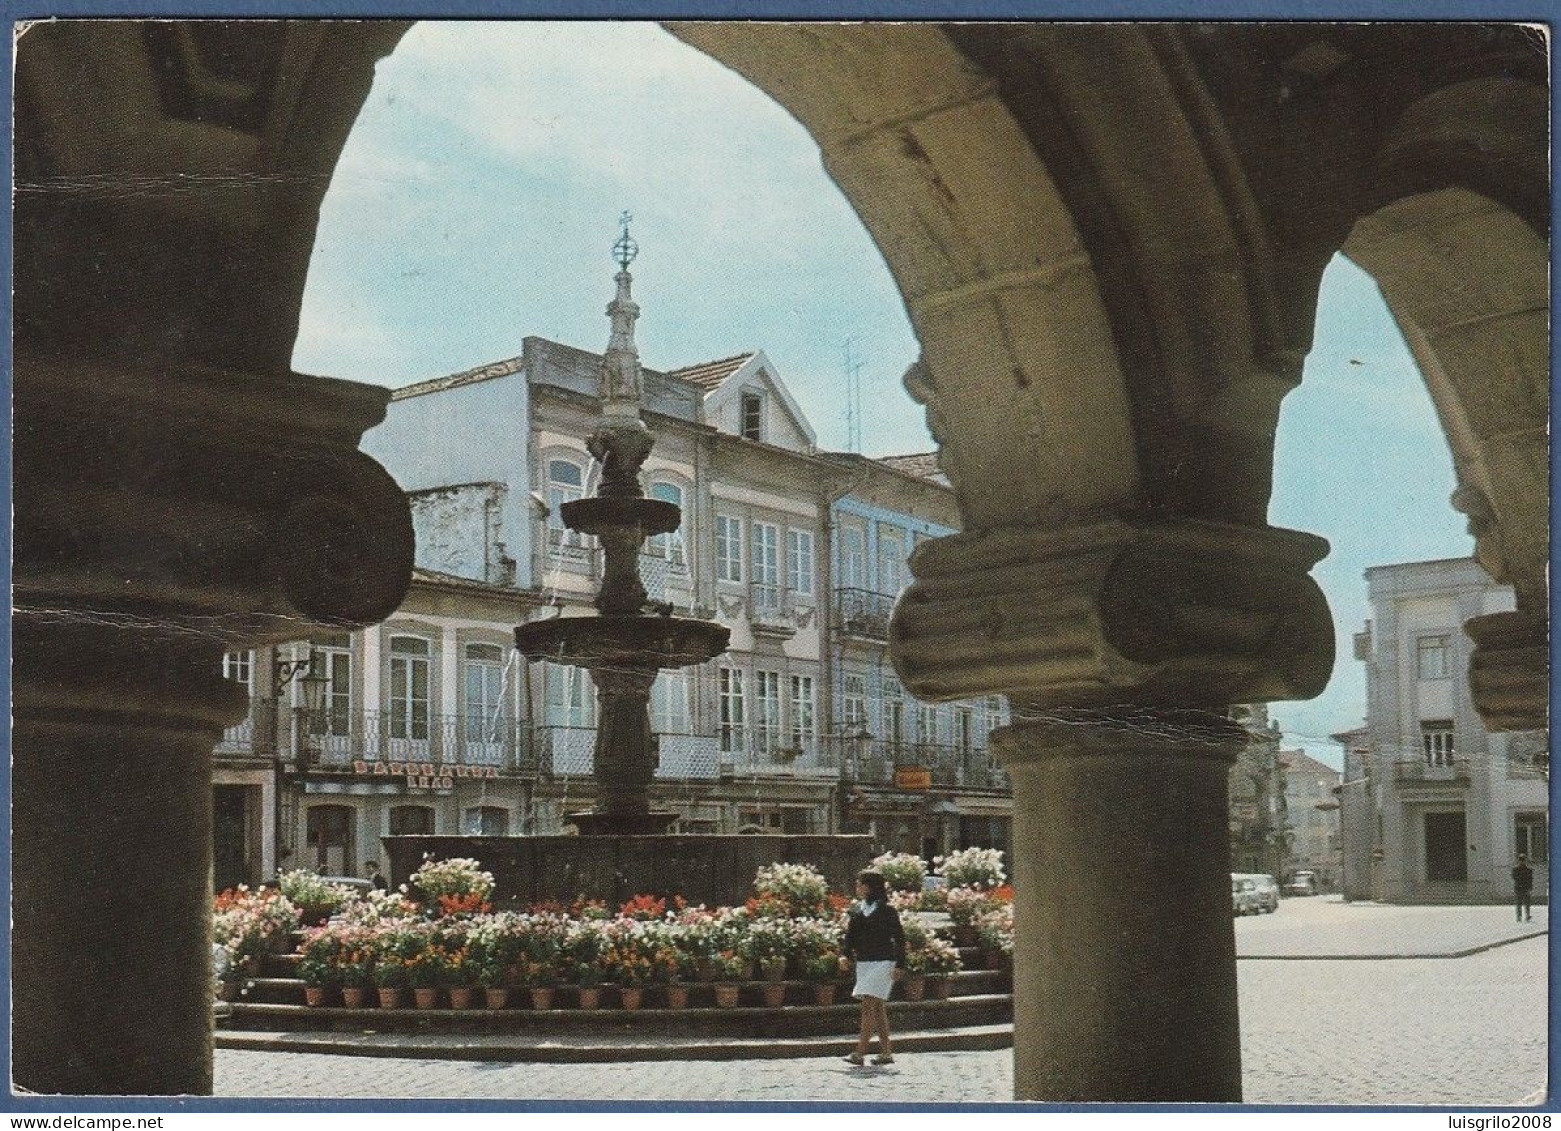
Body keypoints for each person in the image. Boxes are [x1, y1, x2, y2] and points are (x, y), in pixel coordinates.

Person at [840, 868, 904, 1067]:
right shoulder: (857, 911)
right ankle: (886, 1052)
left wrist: (900, 964)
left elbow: (900, 939)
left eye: (860, 884)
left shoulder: (887, 911)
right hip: (865, 963)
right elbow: (850, 938)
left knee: (868, 1005)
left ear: (869, 887)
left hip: (883, 962)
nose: (857, 887)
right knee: (877, 1008)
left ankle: (859, 1053)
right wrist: (845, 955)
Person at [1512, 854, 1534, 922]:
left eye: (1523, 860)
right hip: (1522, 888)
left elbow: (1530, 879)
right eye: (1521, 860)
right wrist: (1530, 887)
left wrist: (1530, 888)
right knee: (1521, 903)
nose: (1522, 862)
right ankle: (1521, 916)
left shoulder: (1517, 869)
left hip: (1521, 888)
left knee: (1524, 903)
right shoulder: (1527, 870)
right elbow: (1529, 880)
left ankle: (1524, 916)